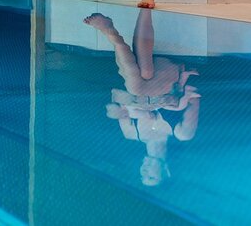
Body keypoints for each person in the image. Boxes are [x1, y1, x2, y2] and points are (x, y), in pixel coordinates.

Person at [85, 11, 201, 186]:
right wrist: (152, 104)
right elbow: (194, 95)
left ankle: (143, 9)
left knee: (144, 74)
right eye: (151, 177)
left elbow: (116, 97)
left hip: (137, 77)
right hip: (169, 75)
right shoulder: (182, 133)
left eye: (142, 176)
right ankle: (112, 34)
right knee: (140, 81)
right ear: (166, 171)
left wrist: (135, 107)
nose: (143, 172)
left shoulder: (130, 133)